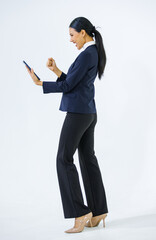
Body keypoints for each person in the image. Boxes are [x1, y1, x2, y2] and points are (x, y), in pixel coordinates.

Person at [25, 16, 108, 233]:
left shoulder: (86, 54)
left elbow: (69, 85)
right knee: (87, 158)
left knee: (63, 158)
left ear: (83, 33)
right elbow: (74, 81)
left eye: (72, 35)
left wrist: (40, 82)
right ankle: (98, 210)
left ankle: (80, 213)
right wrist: (55, 71)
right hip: (89, 112)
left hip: (79, 114)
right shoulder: (93, 53)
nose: (71, 40)